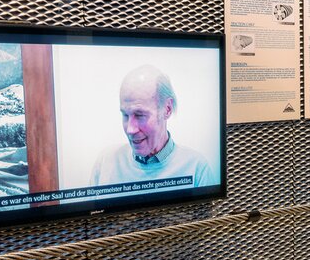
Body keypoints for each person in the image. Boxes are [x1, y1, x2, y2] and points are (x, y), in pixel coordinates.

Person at [90, 65, 218, 189]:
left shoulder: (196, 169)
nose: (130, 129)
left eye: (139, 115)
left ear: (167, 109)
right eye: (125, 115)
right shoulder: (105, 163)